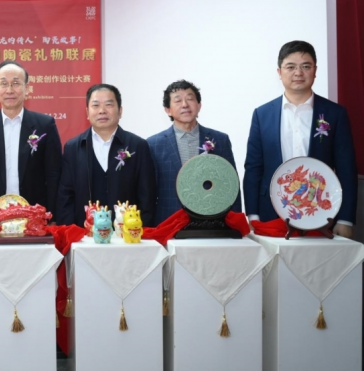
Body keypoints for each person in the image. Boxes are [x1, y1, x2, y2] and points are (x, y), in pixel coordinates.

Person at [243, 40, 357, 238]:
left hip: (322, 213)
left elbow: (346, 169)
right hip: (271, 213)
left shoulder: (335, 114)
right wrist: (252, 215)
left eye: (306, 66)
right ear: (279, 72)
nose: (298, 73)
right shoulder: (262, 115)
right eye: (291, 67)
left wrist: (345, 219)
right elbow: (253, 168)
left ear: (315, 70)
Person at [0, 61, 62, 223]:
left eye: (16, 83)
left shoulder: (45, 125)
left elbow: (54, 175)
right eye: (4, 84)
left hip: (34, 215)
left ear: (27, 89)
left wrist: (53, 217)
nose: (10, 90)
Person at [58, 84, 156, 227]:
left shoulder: (137, 146)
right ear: (87, 112)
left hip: (127, 233)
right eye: (95, 105)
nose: (102, 111)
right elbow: (66, 196)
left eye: (109, 105)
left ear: (120, 111)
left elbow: (147, 195)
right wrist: (71, 233)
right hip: (85, 234)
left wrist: (140, 230)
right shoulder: (73, 148)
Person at [147, 80, 241, 225]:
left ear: (199, 105)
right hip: (169, 222)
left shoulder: (220, 140)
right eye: (178, 100)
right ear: (168, 110)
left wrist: (236, 223)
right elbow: (148, 192)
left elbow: (231, 184)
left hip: (212, 222)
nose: (185, 104)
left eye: (190, 99)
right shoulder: (153, 144)